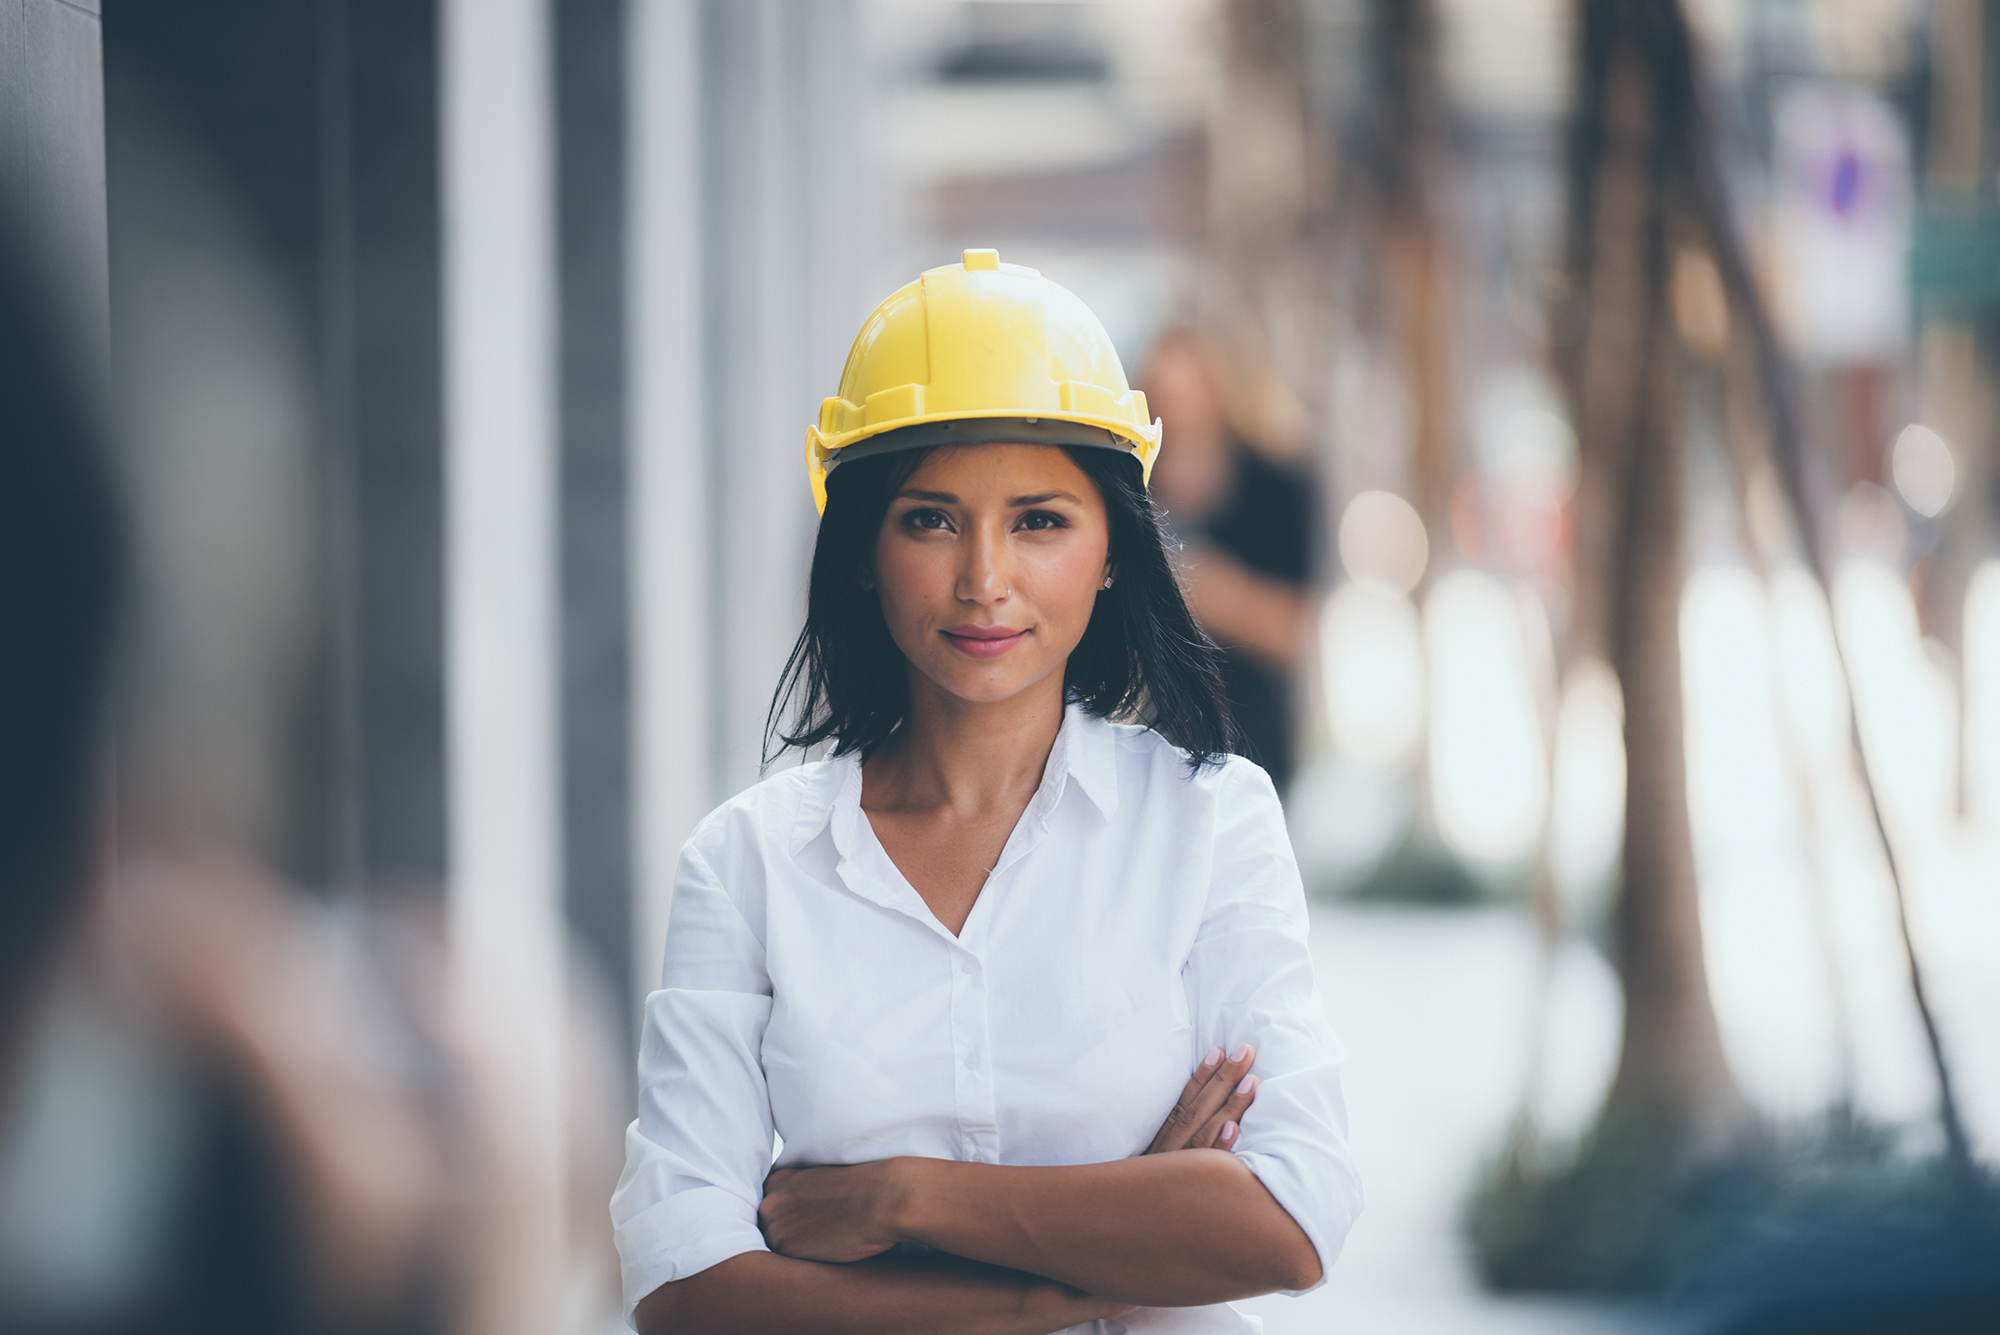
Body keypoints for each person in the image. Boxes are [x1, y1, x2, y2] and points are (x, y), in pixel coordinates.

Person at [612, 250, 1360, 1334]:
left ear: (1112, 549)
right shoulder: (746, 863)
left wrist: (902, 1199)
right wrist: (1091, 1272)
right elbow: (683, 1288)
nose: (983, 578)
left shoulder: (1207, 822)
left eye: (1038, 520)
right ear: (865, 547)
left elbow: (1289, 1221)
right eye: (928, 519)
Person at [1138, 329, 1316, 794]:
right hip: (1150, 745)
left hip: (1252, 740)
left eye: (1185, 396)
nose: (1173, 412)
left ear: (1217, 394)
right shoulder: (1131, 487)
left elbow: (1296, 631)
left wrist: (1212, 593)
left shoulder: (1277, 488)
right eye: (1162, 396)